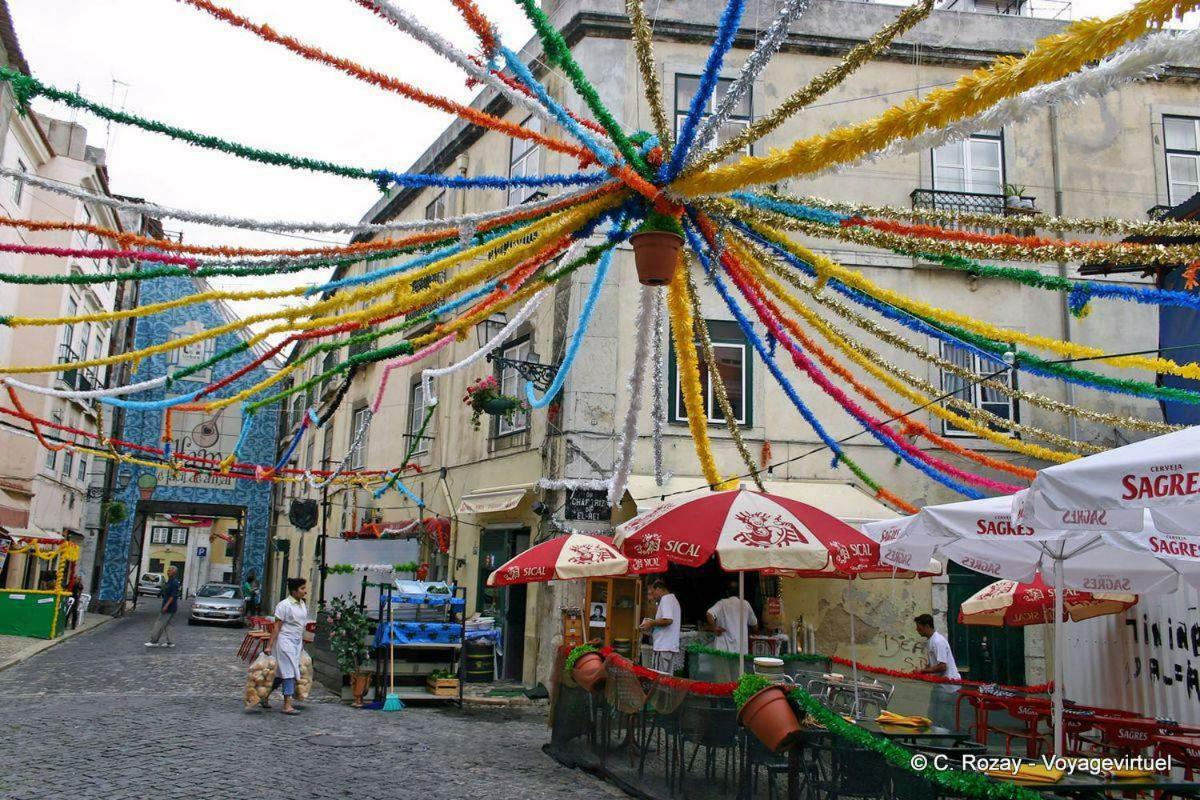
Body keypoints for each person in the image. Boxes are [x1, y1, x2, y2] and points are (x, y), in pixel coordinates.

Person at [264, 577, 308, 715]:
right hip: (285, 642)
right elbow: (276, 627)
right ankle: (287, 705)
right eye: (302, 588)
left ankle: (264, 695)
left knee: (280, 673)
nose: (305, 591)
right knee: (289, 672)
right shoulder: (284, 605)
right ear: (294, 591)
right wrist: (269, 646)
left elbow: (301, 624)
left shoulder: (302, 604)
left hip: (296, 642)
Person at [915, 613, 961, 730]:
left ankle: (954, 736)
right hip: (940, 684)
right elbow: (933, 663)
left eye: (919, 627)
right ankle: (937, 737)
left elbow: (942, 666)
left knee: (943, 715)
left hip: (948, 686)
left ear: (927, 626)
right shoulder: (931, 641)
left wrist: (923, 671)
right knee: (934, 714)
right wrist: (923, 670)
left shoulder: (937, 641)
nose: (917, 630)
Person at [706, 580, 758, 681]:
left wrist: (714, 627)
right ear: (739, 592)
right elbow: (755, 625)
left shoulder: (722, 603)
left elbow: (709, 614)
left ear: (727, 592)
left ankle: (723, 696)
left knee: (723, 679)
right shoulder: (745, 604)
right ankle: (735, 696)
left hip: (722, 648)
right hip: (740, 648)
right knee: (738, 678)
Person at [639, 579, 681, 675]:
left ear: (659, 589)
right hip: (670, 646)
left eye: (653, 593)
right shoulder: (673, 600)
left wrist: (651, 623)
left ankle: (658, 691)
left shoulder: (666, 599)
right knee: (667, 679)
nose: (653, 596)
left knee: (658, 677)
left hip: (662, 646)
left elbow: (668, 620)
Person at [145, 565, 180, 648]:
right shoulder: (170, 581)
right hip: (172, 607)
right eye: (168, 570)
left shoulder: (174, 582)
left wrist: (166, 606)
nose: (168, 572)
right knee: (169, 625)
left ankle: (154, 641)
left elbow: (173, 596)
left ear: (174, 572)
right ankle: (170, 642)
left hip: (169, 607)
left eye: (170, 570)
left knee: (159, 623)